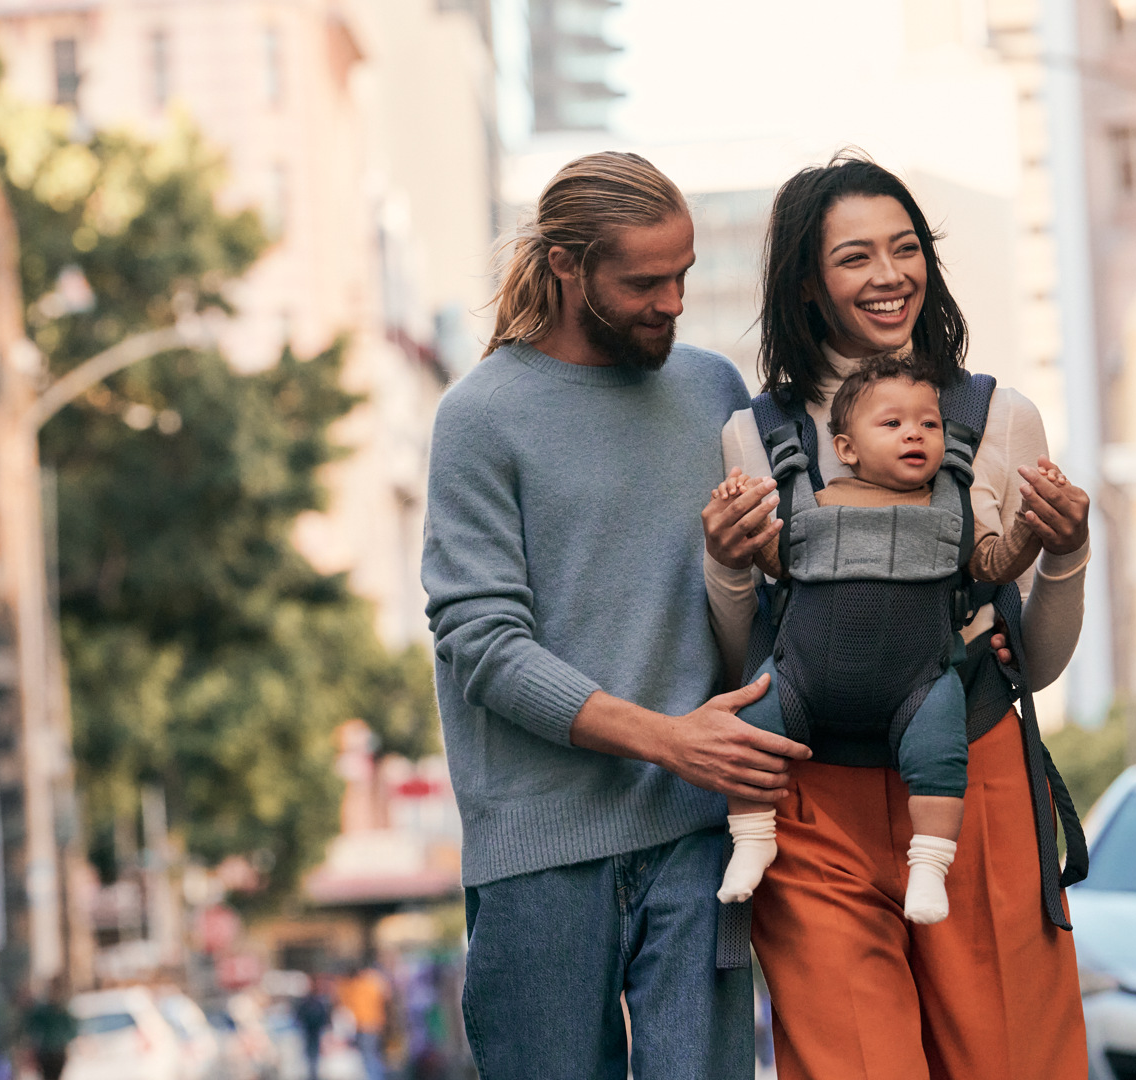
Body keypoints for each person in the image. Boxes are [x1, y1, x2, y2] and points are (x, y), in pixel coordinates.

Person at [700, 152, 1092, 1079]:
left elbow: (1029, 664)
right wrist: (724, 566)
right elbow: (743, 660)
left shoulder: (1000, 419)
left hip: (975, 778)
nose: (888, 276)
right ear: (807, 283)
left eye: (906, 248)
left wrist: (1066, 553)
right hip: (811, 801)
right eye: (854, 257)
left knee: (1014, 1061)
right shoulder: (753, 436)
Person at [422, 151, 807, 1079]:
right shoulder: (480, 418)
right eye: (643, 282)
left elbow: (765, 596)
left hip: (695, 838)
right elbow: (483, 642)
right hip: (540, 857)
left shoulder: (713, 391)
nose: (672, 302)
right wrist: (669, 740)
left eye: (682, 277)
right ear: (566, 267)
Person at [709, 357, 1054, 919]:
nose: (914, 432)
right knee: (753, 736)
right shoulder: (812, 502)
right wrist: (738, 530)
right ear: (845, 449)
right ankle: (752, 839)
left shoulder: (953, 507)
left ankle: (930, 867)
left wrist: (1036, 529)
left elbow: (993, 565)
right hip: (800, 680)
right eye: (892, 424)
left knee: (940, 761)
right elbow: (780, 563)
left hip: (917, 688)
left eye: (929, 424)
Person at [337, 965, 391, 1080]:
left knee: (368, 1057)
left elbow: (342, 1001)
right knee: (373, 1056)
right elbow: (386, 997)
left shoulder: (354, 985)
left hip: (363, 1025)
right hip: (373, 1025)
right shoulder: (374, 983)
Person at [18, 985, 76, 1080]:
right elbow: (31, 1027)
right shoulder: (43, 1011)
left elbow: (71, 1030)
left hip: (57, 1051)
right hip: (46, 1052)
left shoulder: (62, 1012)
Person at [293, 977, 333, 1080]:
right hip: (310, 1030)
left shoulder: (320, 1000)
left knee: (315, 1055)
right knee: (310, 1055)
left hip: (315, 1030)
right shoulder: (311, 1000)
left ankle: (314, 1074)